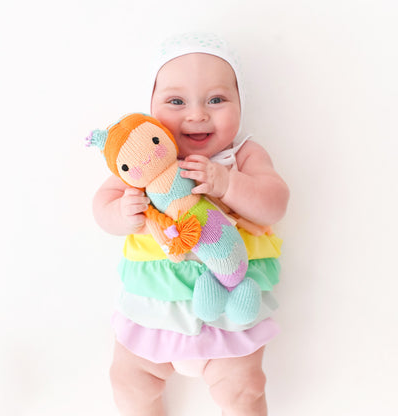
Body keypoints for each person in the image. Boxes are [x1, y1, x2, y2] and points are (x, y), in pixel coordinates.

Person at [92, 33, 289, 416]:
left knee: (244, 390)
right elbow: (102, 205)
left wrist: (229, 183)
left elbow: (275, 203)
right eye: (176, 102)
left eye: (216, 100)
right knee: (128, 379)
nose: (197, 114)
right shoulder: (143, 157)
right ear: (150, 108)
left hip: (230, 309)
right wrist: (122, 212)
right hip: (155, 305)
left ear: (240, 103)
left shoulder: (241, 153)